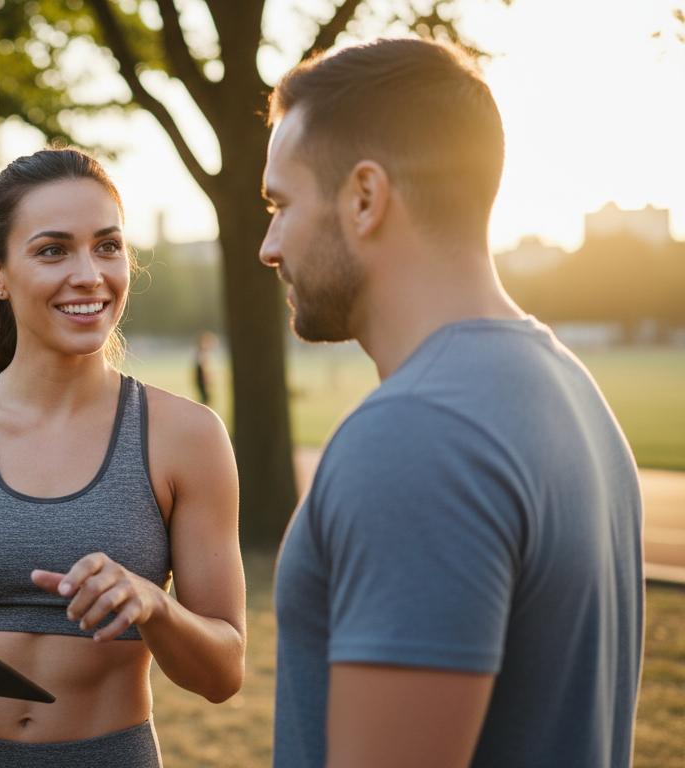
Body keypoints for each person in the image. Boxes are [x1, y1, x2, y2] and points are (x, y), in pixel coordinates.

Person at [260, 38, 643, 767]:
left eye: (281, 204)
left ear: (365, 197)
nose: (269, 246)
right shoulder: (568, 389)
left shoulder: (415, 436)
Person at [0, 148, 245, 767]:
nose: (89, 274)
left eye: (108, 246)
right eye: (53, 250)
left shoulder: (188, 437)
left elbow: (223, 673)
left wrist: (153, 604)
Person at [192, 331, 217, 406]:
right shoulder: (202, 352)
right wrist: (207, 378)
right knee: (206, 399)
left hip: (200, 379)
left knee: (205, 398)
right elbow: (202, 367)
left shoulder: (200, 352)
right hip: (201, 379)